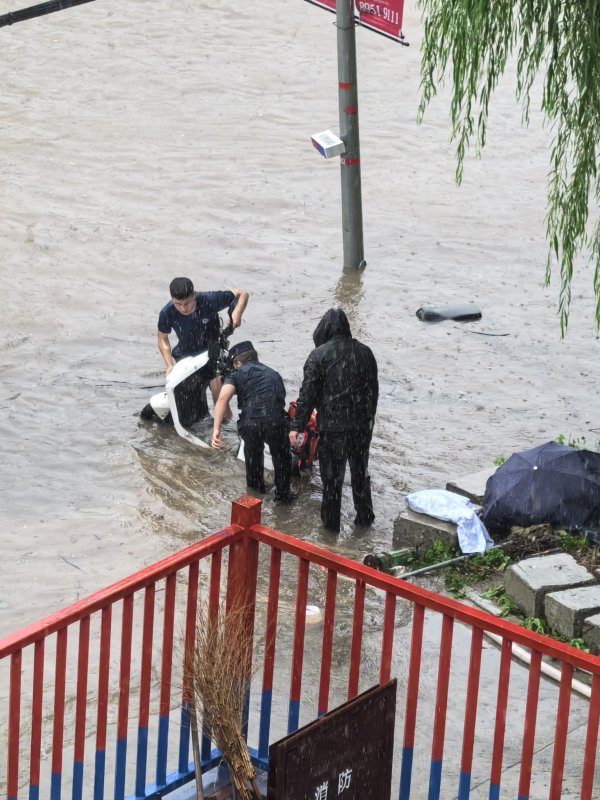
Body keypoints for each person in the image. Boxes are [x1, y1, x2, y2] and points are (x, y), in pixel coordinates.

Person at [289, 308, 378, 533]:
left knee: (332, 482)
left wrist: (297, 427)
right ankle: (365, 520)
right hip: (360, 427)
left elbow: (307, 395)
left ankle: (331, 532)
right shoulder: (366, 353)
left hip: (332, 429)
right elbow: (373, 393)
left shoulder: (318, 355)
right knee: (360, 473)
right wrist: (368, 422)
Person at [211, 341, 294, 502]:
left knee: (253, 458)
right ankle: (283, 496)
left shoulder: (236, 373)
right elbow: (280, 399)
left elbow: (222, 399)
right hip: (275, 421)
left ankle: (255, 496)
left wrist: (216, 429)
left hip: (250, 423)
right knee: (281, 457)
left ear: (237, 363)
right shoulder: (273, 373)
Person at [157, 276, 249, 406]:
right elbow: (162, 338)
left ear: (194, 295)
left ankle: (222, 421)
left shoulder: (209, 299)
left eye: (187, 303)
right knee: (189, 401)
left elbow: (242, 294)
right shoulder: (167, 313)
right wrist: (169, 364)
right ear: (172, 300)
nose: (184, 309)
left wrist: (237, 313)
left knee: (218, 395)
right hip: (186, 356)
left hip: (212, 352)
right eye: (178, 304)